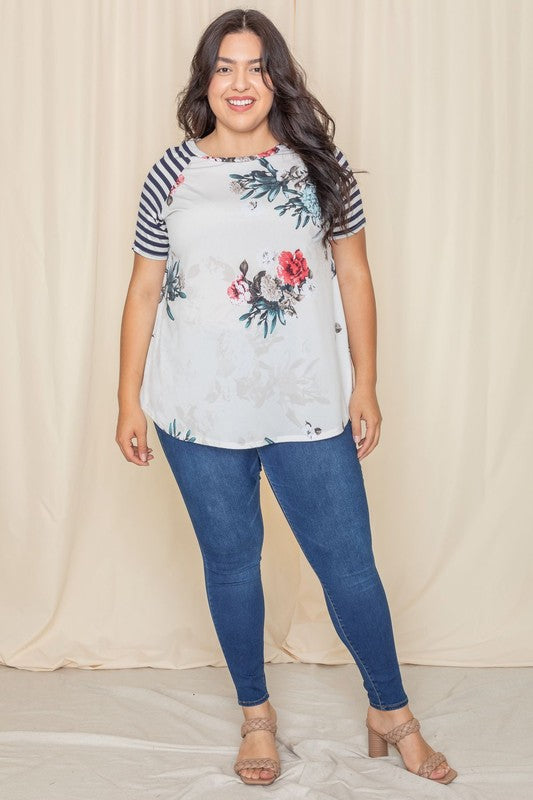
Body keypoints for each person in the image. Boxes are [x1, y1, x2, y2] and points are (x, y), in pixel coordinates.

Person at [116, 7, 457, 788]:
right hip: (195, 406)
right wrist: (128, 399)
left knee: (349, 567)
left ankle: (390, 712)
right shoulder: (170, 172)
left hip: (305, 399)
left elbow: (355, 276)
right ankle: (256, 719)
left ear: (278, 78)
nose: (242, 83)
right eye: (226, 67)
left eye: (257, 67)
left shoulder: (318, 166)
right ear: (206, 79)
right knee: (232, 565)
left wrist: (365, 382)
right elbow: (143, 290)